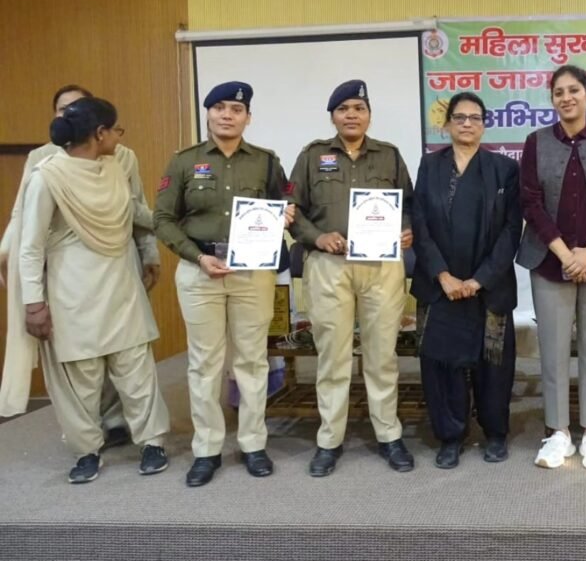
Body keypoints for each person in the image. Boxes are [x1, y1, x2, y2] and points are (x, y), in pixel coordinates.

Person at [9, 98, 170, 483]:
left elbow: (136, 214)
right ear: (100, 134)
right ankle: (86, 451)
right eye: (116, 130)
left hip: (121, 285)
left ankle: (152, 442)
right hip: (72, 292)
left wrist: (180, 222)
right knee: (81, 377)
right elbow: (30, 247)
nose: (119, 137)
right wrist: (33, 305)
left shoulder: (115, 166)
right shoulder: (48, 177)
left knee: (136, 370)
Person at [154, 81, 291, 487]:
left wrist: (287, 213)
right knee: (204, 363)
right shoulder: (184, 162)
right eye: (219, 108)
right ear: (208, 113)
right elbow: (162, 219)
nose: (227, 115)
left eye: (236, 109)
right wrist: (197, 256)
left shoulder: (266, 162)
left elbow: (285, 204)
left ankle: (253, 444)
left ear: (248, 117)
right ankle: (207, 448)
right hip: (200, 269)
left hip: (252, 272)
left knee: (252, 360)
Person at [288, 79, 415, 476]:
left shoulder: (389, 156)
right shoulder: (312, 156)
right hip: (329, 266)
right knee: (333, 356)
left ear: (369, 115)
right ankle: (330, 439)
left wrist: (406, 229)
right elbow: (291, 209)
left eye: (359, 108)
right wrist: (316, 237)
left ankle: (389, 435)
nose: (351, 115)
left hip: (381, 267)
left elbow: (409, 205)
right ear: (333, 116)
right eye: (343, 109)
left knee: (382, 355)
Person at [517, 64, 586, 470]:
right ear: (552, 99)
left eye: (573, 90)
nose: (566, 98)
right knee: (553, 348)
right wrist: (567, 255)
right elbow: (530, 203)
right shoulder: (536, 142)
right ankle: (558, 432)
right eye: (558, 92)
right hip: (549, 261)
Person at [411, 92, 521, 468]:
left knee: (494, 363)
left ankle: (495, 433)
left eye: (475, 117)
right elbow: (419, 223)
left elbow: (512, 229)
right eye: (459, 117)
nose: (467, 124)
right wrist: (442, 274)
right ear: (447, 125)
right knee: (443, 363)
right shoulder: (430, 166)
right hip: (441, 284)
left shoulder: (504, 169)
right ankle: (450, 435)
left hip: (488, 284)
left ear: (485, 125)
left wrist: (480, 279)